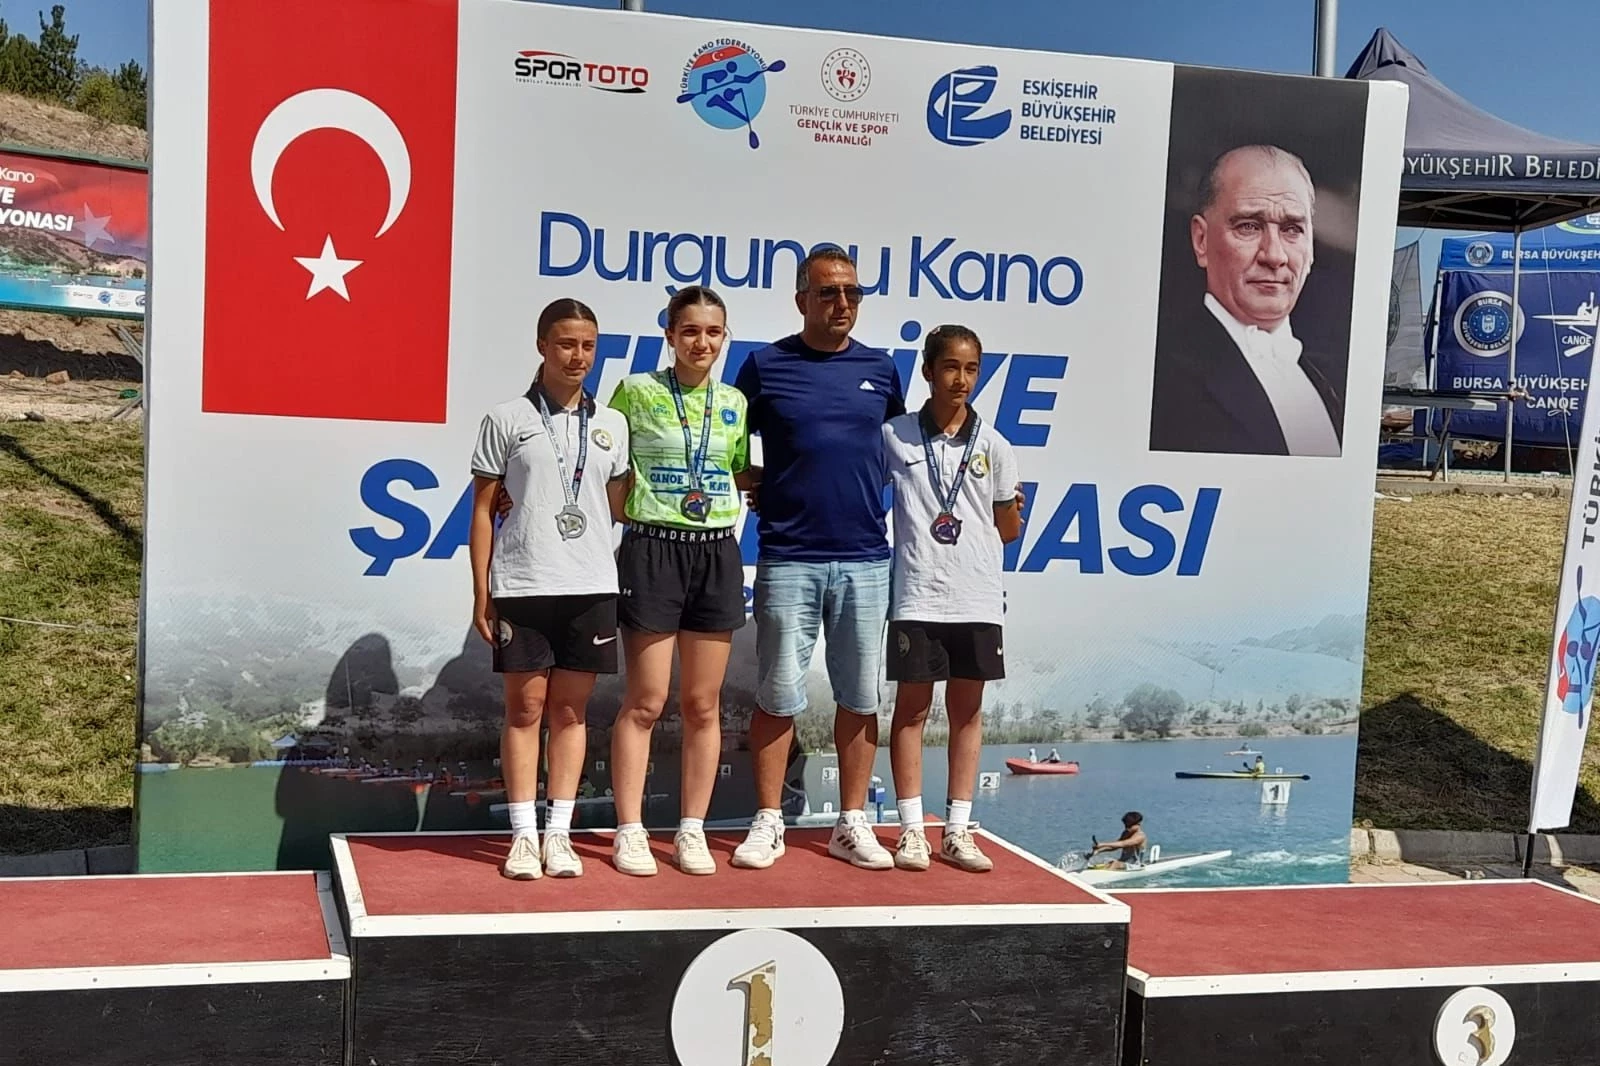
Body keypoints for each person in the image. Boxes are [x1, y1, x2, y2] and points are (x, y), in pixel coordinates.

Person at [730, 245, 906, 871]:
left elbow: (903, 449)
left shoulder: (882, 370)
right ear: (801, 298)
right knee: (777, 695)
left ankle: (850, 823)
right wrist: (745, 476)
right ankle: (768, 820)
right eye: (829, 292)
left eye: (853, 292)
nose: (842, 303)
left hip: (865, 559)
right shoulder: (764, 365)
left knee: (860, 697)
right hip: (788, 557)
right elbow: (723, 436)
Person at [468, 297, 631, 881]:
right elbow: (482, 511)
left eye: (588, 345)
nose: (577, 356)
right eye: (565, 343)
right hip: (524, 583)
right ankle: (521, 836)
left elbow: (617, 506)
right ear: (542, 346)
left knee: (569, 711)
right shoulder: (506, 418)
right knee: (525, 710)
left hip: (591, 585)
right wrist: (483, 591)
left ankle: (558, 835)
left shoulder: (612, 425)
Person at [605, 286, 753, 878]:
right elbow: (608, 470)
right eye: (690, 331)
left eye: (713, 332)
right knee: (646, 701)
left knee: (702, 703)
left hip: (715, 553)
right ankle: (630, 830)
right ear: (669, 335)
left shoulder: (734, 401)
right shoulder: (635, 391)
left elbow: (738, 472)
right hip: (652, 550)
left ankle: (692, 829)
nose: (702, 343)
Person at [882, 325, 1023, 873]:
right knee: (912, 711)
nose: (961, 380)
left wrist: (1014, 512)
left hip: (977, 597)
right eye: (950, 367)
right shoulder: (894, 436)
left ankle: (958, 831)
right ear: (928, 371)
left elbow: (1007, 529)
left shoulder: (996, 446)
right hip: (917, 595)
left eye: (970, 369)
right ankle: (912, 831)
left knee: (967, 713)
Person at [1150, 143, 1344, 458]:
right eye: (1249, 227)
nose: (1274, 256)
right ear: (1201, 240)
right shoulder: (1162, 380)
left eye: (1292, 229)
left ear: (1311, 248)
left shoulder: (1332, 382)